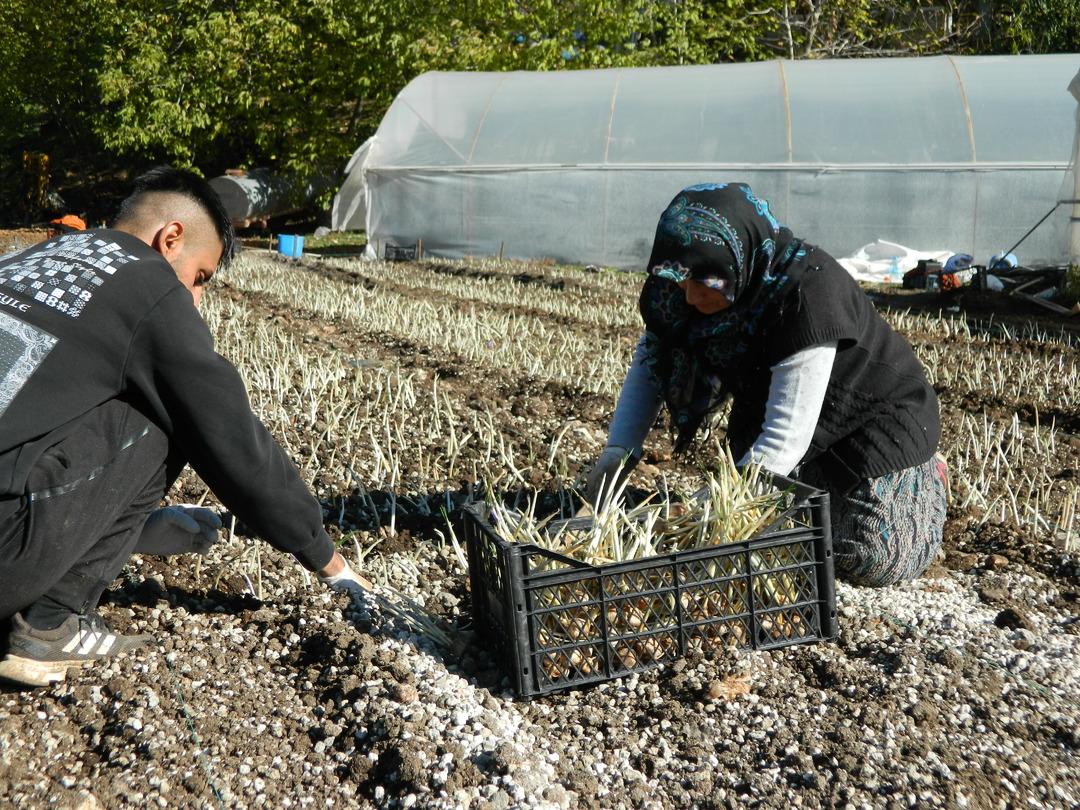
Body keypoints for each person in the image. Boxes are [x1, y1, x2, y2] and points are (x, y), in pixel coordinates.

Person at [0, 166, 369, 687]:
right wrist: (327, 559)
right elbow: (231, 438)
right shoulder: (147, 283)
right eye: (200, 277)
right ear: (170, 238)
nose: (195, 298)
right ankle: (53, 622)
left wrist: (134, 529)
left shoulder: (33, 258)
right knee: (171, 408)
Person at [585, 182, 947, 587]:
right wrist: (618, 450)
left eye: (703, 282)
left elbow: (784, 437)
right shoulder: (685, 279)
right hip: (787, 422)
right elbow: (653, 356)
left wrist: (716, 514)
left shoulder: (808, 296)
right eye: (682, 281)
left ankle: (926, 483)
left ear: (736, 259)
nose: (688, 297)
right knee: (777, 537)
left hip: (872, 429)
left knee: (868, 558)